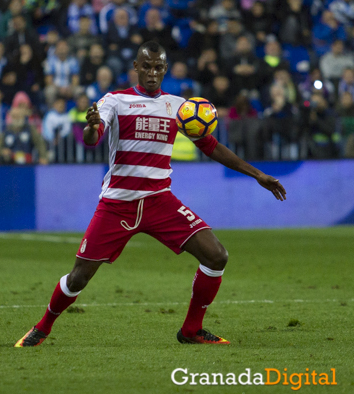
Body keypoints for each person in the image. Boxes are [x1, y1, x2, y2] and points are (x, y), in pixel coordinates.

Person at [15, 41, 287, 348]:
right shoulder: (115, 101)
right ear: (135, 67)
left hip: (160, 201)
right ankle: (42, 327)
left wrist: (257, 174)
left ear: (165, 70)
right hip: (118, 204)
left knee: (216, 255)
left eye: (158, 68)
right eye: (146, 67)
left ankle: (191, 330)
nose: (152, 73)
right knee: (79, 276)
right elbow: (93, 136)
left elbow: (210, 146)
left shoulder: (178, 106)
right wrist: (91, 126)